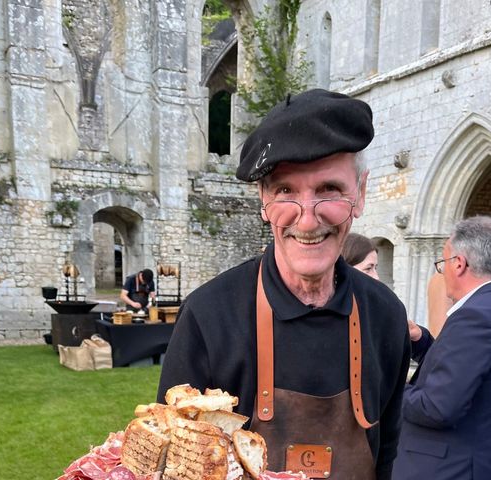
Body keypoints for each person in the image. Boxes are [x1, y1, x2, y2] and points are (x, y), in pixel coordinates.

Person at [158, 89, 410, 480]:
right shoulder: (208, 316)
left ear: (359, 194)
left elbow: (387, 454)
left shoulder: (386, 314)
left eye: (329, 190)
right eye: (285, 191)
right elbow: (172, 463)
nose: (307, 221)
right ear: (263, 200)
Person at [393, 216, 491, 480]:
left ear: (459, 264)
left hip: (447, 468)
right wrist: (420, 341)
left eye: (443, 263)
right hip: (484, 463)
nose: (442, 271)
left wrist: (386, 389)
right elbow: (469, 372)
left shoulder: (475, 317)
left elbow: (437, 408)